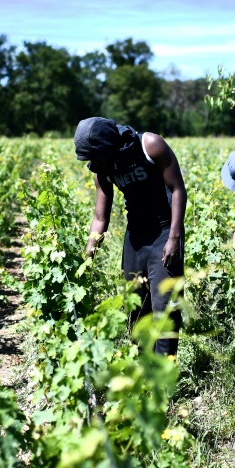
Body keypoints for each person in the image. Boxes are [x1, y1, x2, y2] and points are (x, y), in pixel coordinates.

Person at [75, 117, 187, 355]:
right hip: (135, 236)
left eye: (97, 157)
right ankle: (144, 367)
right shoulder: (102, 170)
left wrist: (174, 239)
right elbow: (100, 218)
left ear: (111, 146)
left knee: (165, 306)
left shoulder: (150, 146)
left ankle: (164, 375)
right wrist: (88, 255)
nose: (94, 163)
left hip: (165, 232)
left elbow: (178, 189)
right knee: (136, 307)